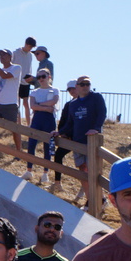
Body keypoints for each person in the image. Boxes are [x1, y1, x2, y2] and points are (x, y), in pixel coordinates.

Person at [56, 75, 107, 207]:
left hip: (92, 141)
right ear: (77, 87)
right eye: (82, 84)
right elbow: (70, 123)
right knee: (82, 172)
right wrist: (59, 132)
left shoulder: (96, 97)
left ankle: (100, 200)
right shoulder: (73, 104)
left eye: (87, 84)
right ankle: (91, 200)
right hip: (78, 142)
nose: (85, 87)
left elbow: (102, 113)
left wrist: (96, 129)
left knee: (93, 171)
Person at [24, 70, 59, 183]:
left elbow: (54, 101)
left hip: (49, 120)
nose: (41, 79)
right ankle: (29, 170)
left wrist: (39, 104)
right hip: (37, 119)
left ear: (49, 77)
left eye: (43, 76)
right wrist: (45, 107)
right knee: (31, 144)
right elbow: (32, 106)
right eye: (38, 77)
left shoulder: (55, 90)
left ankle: (45, 173)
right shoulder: (34, 91)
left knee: (47, 147)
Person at [48, 80, 79, 193]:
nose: (72, 91)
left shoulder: (85, 104)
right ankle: (57, 183)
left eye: (73, 88)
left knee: (84, 165)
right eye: (69, 89)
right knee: (58, 155)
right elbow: (63, 121)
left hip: (80, 138)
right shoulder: (68, 104)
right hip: (67, 137)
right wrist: (62, 133)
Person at [12, 37, 37, 124]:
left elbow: (29, 68)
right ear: (26, 44)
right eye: (30, 46)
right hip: (17, 81)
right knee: (17, 103)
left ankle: (29, 124)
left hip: (26, 82)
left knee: (26, 103)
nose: (30, 49)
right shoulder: (15, 53)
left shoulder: (30, 55)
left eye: (32, 47)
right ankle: (19, 124)